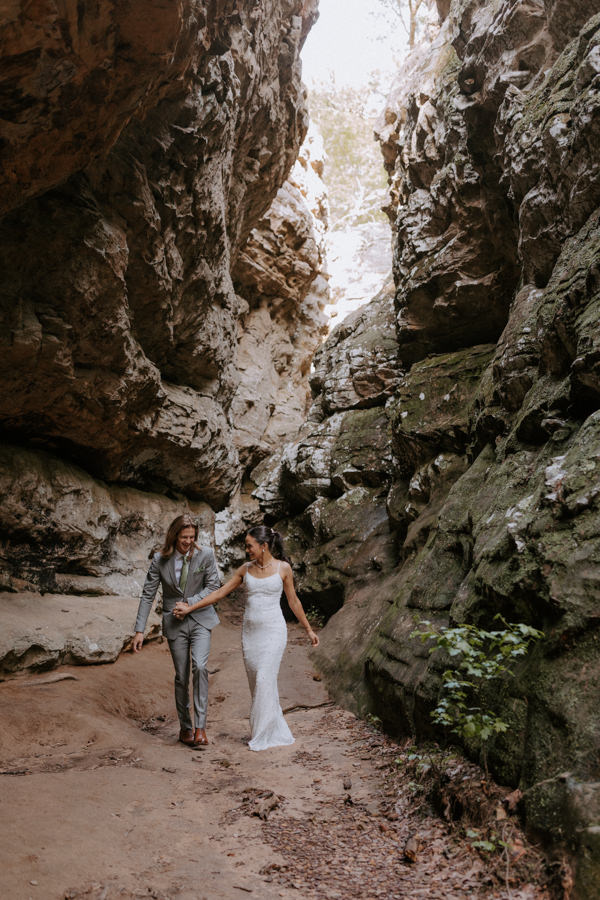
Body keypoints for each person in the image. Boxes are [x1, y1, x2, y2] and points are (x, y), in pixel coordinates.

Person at [173, 525, 319, 751]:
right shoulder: (244, 570)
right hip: (250, 635)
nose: (247, 550)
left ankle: (262, 735)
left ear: (264, 546)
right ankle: (267, 727)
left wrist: (308, 629)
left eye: (250, 546)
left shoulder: (283, 568)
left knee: (263, 679)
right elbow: (219, 593)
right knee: (257, 684)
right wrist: (190, 607)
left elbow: (294, 601)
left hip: (274, 631)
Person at [132, 514, 220, 748]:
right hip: (175, 623)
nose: (188, 541)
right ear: (174, 536)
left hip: (201, 619)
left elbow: (213, 586)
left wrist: (190, 603)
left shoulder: (206, 554)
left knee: (200, 667)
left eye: (192, 537)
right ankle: (185, 728)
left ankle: (201, 728)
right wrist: (140, 630)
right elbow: (148, 594)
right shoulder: (160, 559)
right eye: (184, 537)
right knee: (182, 676)